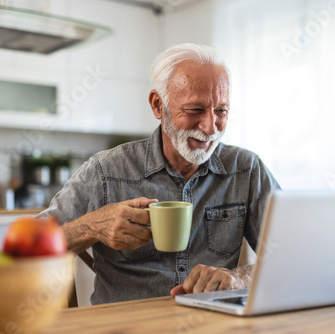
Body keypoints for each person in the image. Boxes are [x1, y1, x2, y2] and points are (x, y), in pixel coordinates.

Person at [39, 43, 281, 304]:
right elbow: (30, 246)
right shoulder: (106, 171)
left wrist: (240, 278)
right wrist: (91, 226)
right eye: (195, 110)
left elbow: (296, 256)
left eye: (221, 111)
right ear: (158, 105)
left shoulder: (247, 169)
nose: (211, 128)